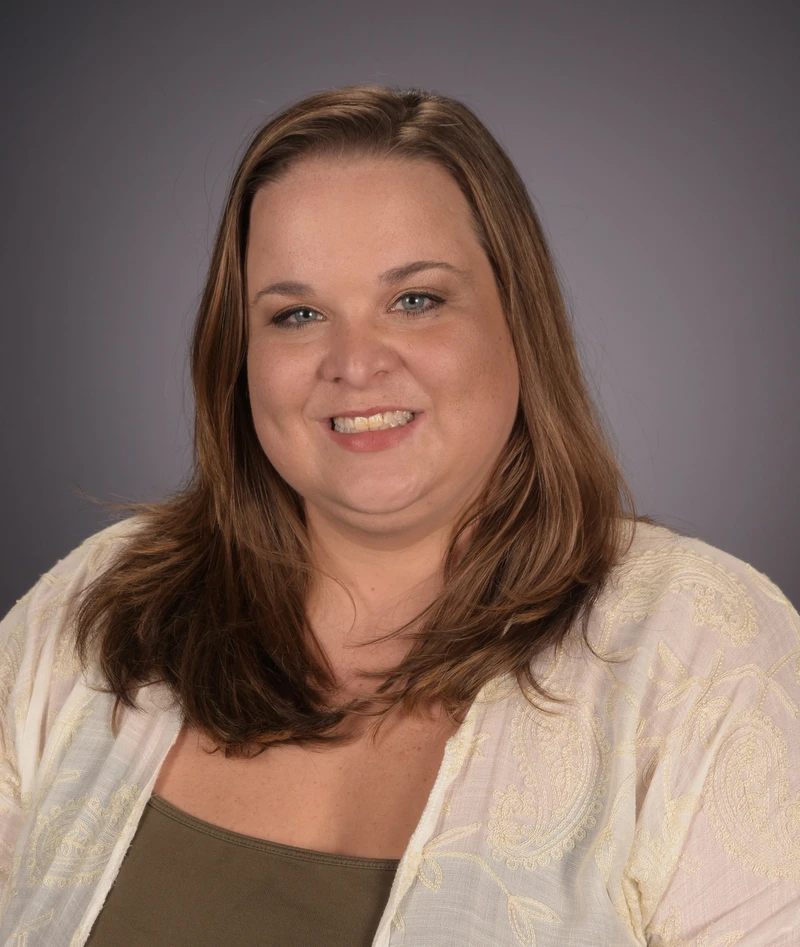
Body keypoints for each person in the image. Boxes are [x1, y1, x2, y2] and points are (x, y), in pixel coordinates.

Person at [0, 85, 797, 947]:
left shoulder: (706, 652)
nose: (355, 362)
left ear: (518, 319)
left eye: (415, 299)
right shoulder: (99, 607)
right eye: (297, 314)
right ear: (240, 356)